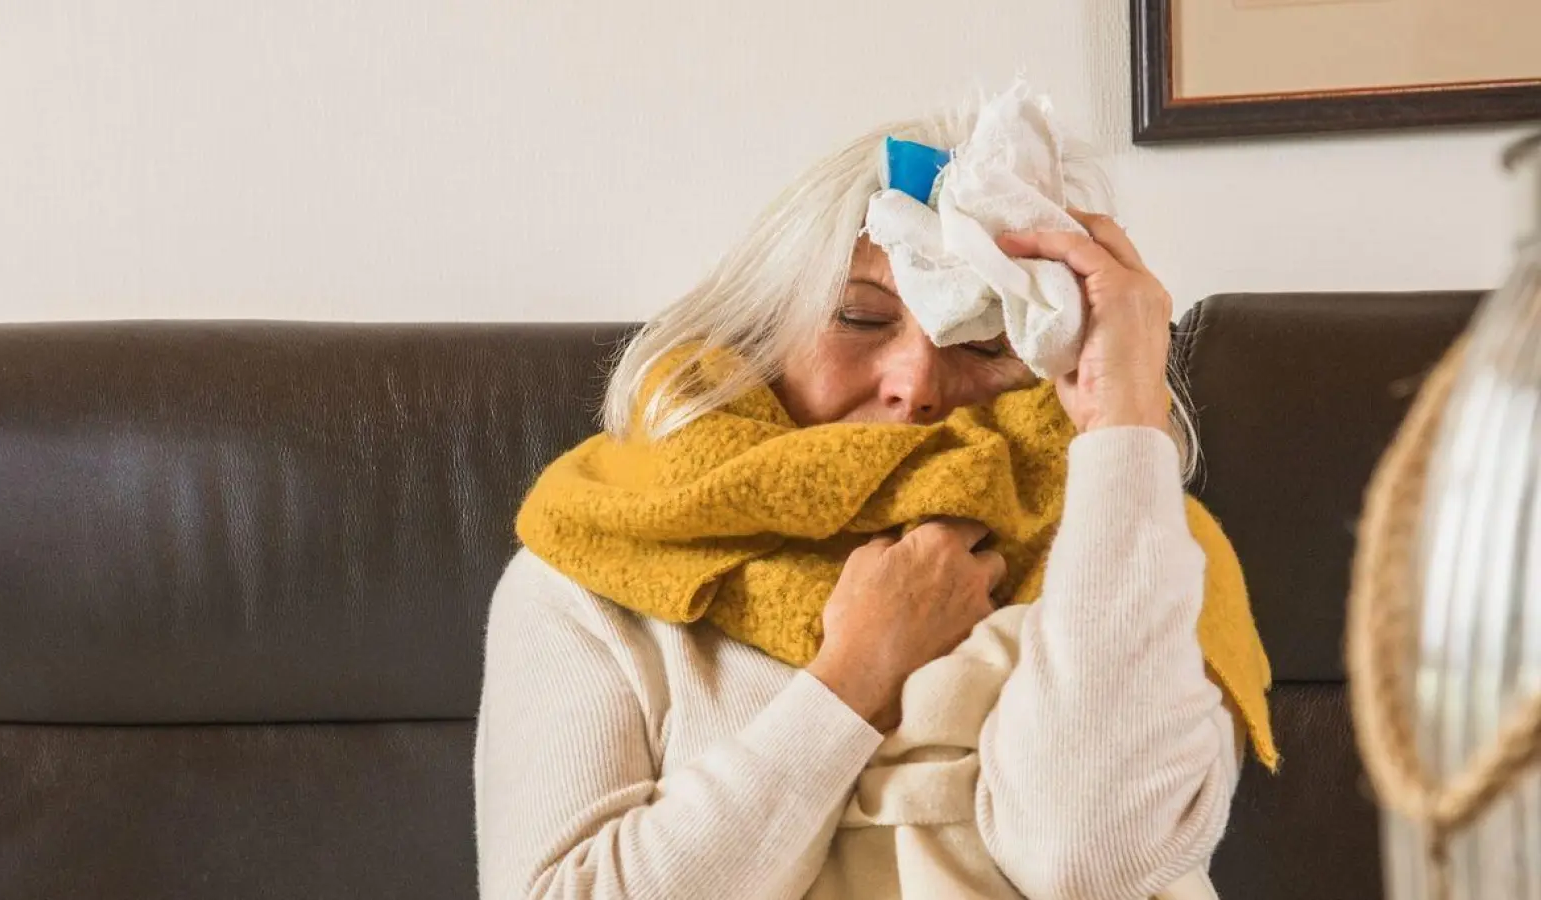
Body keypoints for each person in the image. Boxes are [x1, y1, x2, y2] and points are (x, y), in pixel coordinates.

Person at [475, 94, 1274, 900]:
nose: (917, 385)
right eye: (860, 318)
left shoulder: (1143, 547)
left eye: (986, 341)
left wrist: (1124, 416)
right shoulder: (599, 560)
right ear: (763, 326)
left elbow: (1096, 865)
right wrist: (856, 674)